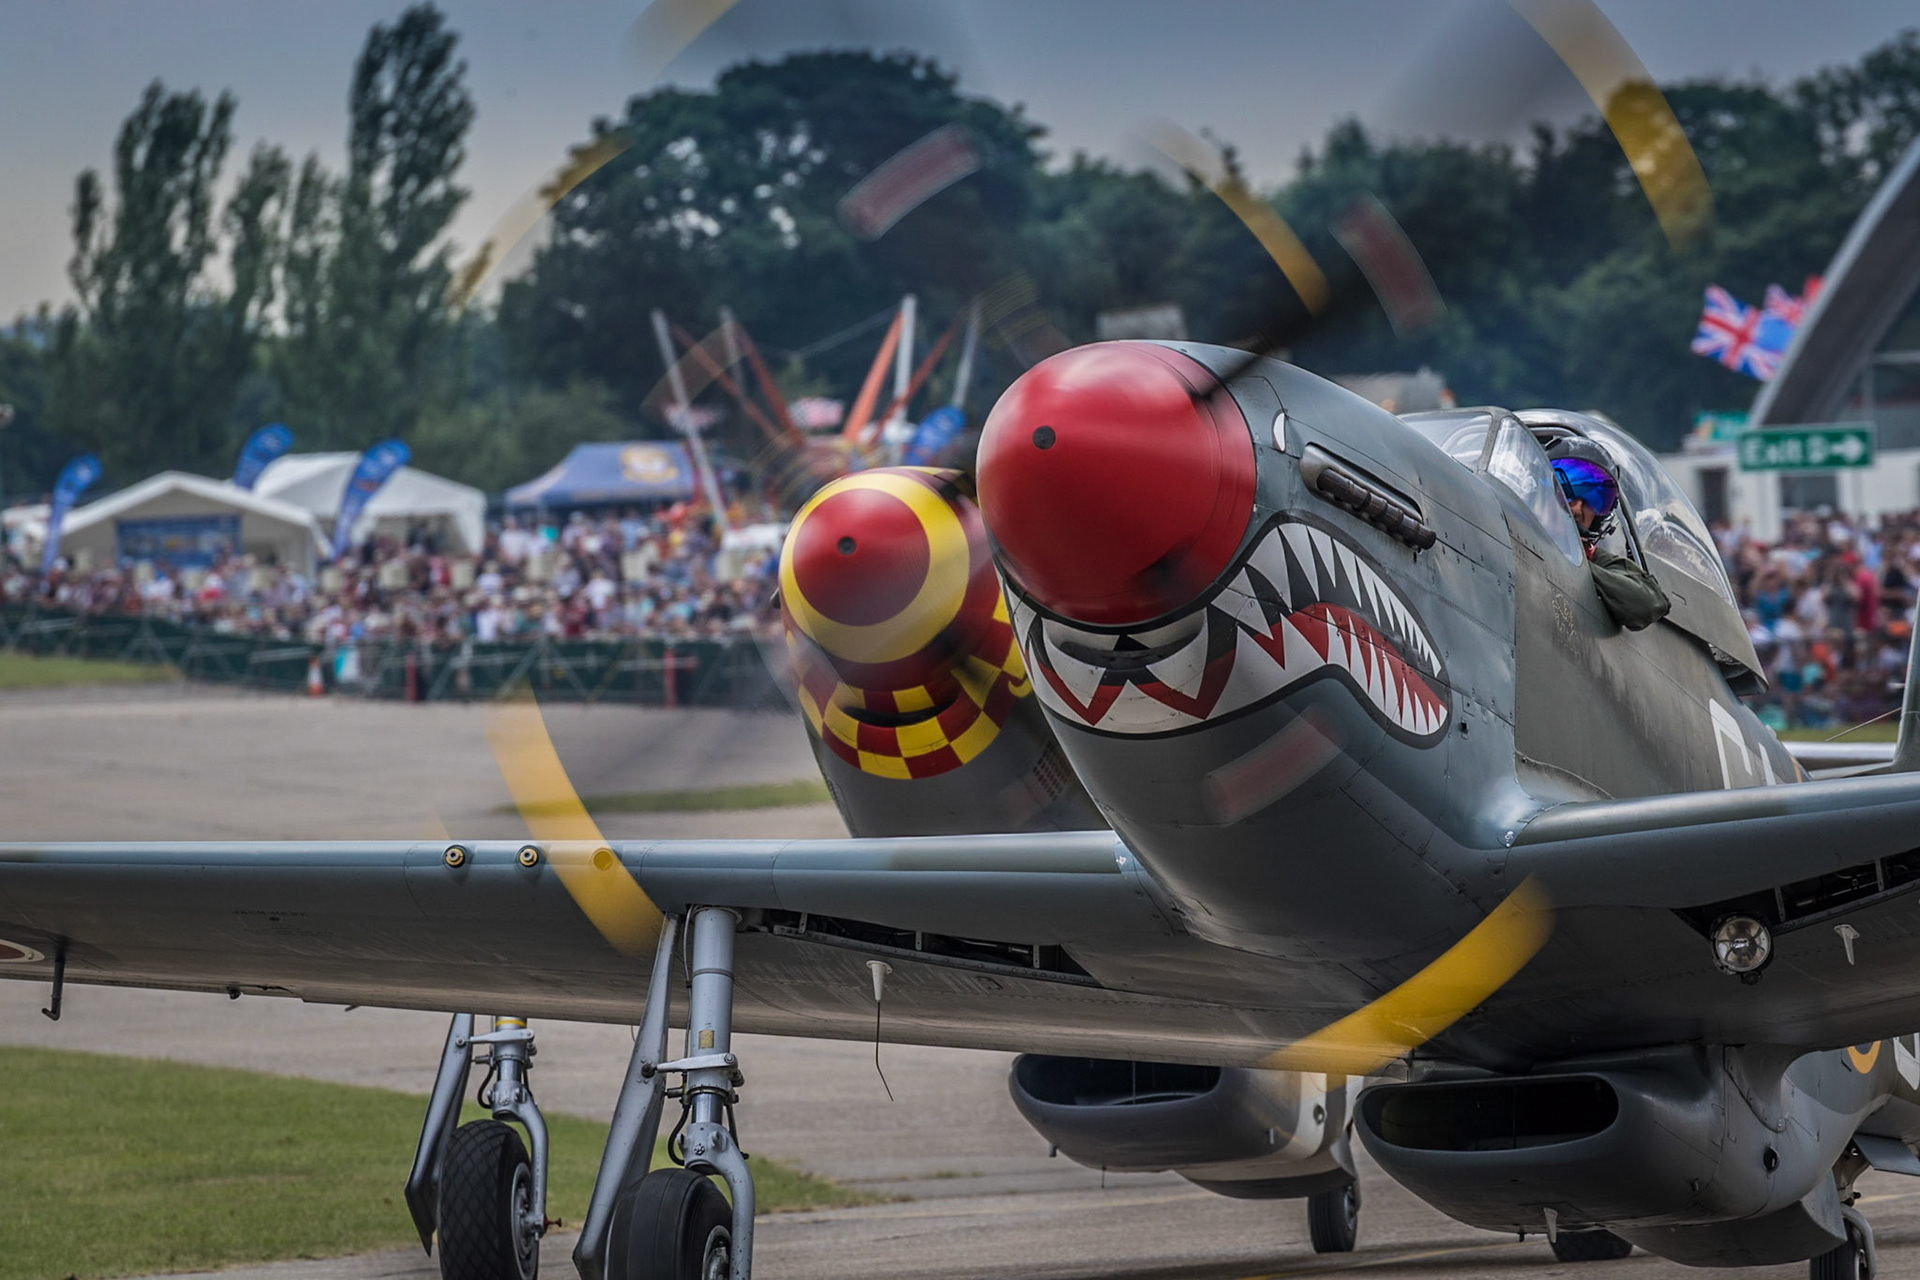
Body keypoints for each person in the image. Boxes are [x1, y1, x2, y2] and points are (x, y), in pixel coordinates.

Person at [1545, 436, 1671, 631]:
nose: (1577, 509)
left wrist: (1574, 565)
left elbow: (1648, 602)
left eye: (1594, 499)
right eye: (1565, 493)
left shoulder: (1597, 561)